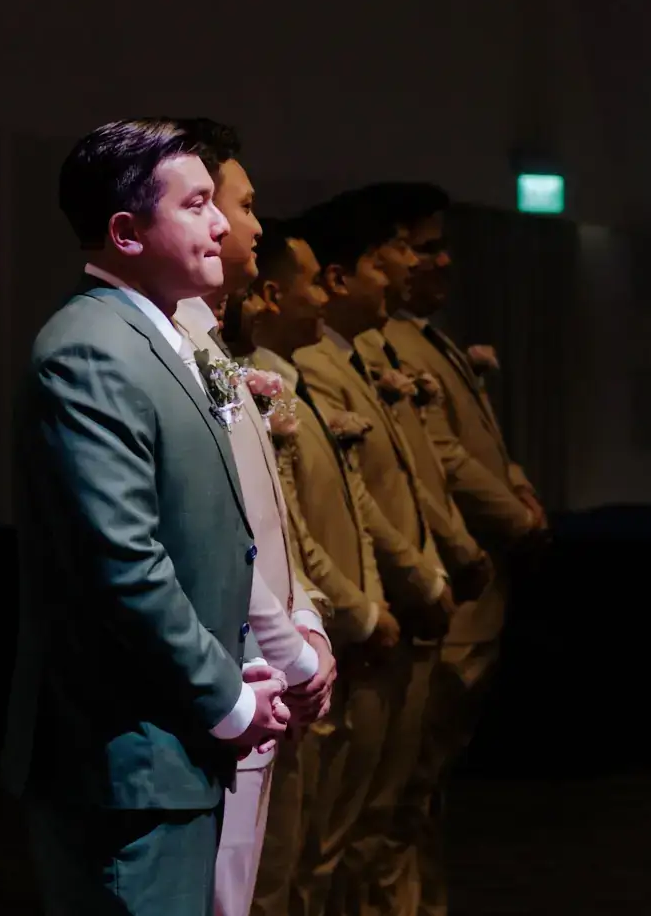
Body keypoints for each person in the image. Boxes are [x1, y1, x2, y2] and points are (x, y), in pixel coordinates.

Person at [4, 118, 292, 915]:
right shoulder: (92, 350)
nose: (223, 224)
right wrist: (228, 698)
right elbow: (123, 563)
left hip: (170, 749)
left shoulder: (155, 334)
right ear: (127, 232)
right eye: (197, 204)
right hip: (127, 760)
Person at [241, 221, 432, 916]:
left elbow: (351, 508)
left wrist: (377, 604)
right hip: (312, 644)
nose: (324, 295)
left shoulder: (295, 383)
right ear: (268, 294)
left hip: (344, 636)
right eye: (312, 281)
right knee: (292, 863)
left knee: (330, 846)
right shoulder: (268, 387)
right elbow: (292, 533)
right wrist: (355, 614)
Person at [169, 120, 334, 916]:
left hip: (270, 657)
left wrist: (309, 620)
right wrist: (289, 652)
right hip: (237, 672)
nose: (253, 225)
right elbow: (213, 534)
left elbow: (271, 522)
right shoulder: (172, 345)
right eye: (238, 203)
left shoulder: (215, 345)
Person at [372, 183, 544, 915]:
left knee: (424, 793)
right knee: (399, 799)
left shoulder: (427, 338)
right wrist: (518, 519)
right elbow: (438, 455)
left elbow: (479, 442)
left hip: (471, 595)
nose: (442, 261)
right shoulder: (389, 345)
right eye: (423, 246)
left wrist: (519, 489)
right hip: (445, 594)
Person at [293, 195, 465, 916]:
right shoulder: (298, 369)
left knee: (388, 810)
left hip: (392, 607)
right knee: (322, 842)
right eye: (381, 255)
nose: (397, 269)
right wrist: (381, 596)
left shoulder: (356, 358)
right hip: (354, 624)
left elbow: (400, 478)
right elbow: (320, 509)